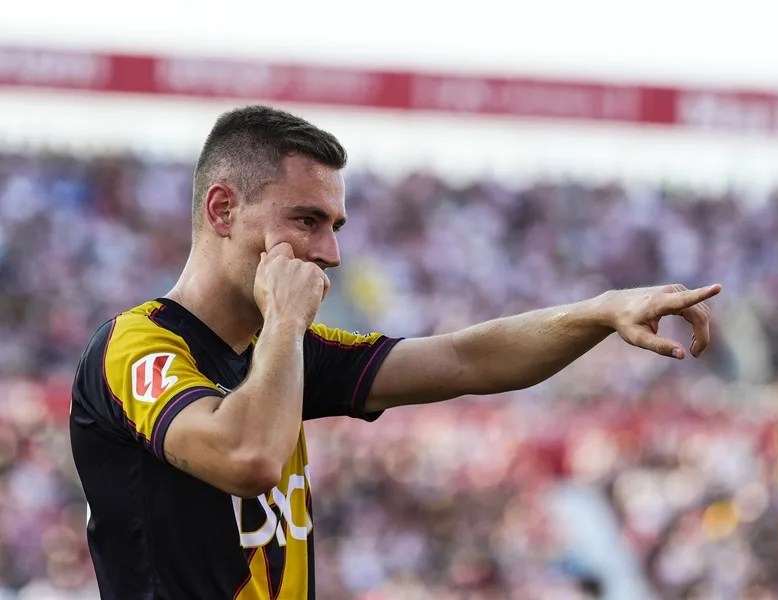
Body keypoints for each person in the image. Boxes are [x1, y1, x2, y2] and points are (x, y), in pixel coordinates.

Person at [69, 105, 722, 599]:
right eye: (306, 220)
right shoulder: (138, 344)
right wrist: (287, 324)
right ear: (221, 210)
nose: (330, 253)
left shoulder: (287, 347)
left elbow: (467, 360)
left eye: (335, 226)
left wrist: (598, 312)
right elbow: (248, 457)